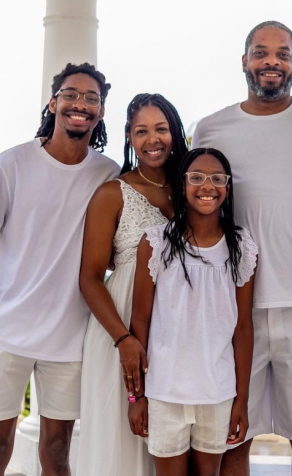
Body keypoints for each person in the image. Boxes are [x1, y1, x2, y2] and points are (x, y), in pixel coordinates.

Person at [192, 21, 292, 476]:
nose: (271, 62)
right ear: (244, 60)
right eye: (261, 52)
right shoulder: (211, 127)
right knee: (233, 437)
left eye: (283, 54)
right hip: (234, 308)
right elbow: (199, 203)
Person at [0, 63, 119, 476]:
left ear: (101, 112)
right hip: (7, 330)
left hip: (70, 336)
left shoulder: (108, 174)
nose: (80, 104)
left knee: (56, 451)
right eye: (71, 94)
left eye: (91, 98)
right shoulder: (11, 164)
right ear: (53, 103)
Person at [76, 93, 188, 476]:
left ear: (175, 131)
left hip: (176, 328)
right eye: (141, 131)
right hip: (120, 329)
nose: (152, 139)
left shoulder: (192, 191)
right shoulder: (112, 193)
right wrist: (124, 340)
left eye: (160, 129)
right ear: (129, 136)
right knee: (120, 447)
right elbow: (90, 278)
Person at [127, 148, 257, 476]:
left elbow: (243, 328)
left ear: (227, 187)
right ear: (182, 184)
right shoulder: (157, 243)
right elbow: (139, 322)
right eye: (196, 177)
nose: (207, 186)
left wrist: (241, 400)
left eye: (217, 178)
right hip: (164, 391)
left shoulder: (242, 247)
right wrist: (137, 398)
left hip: (217, 392)